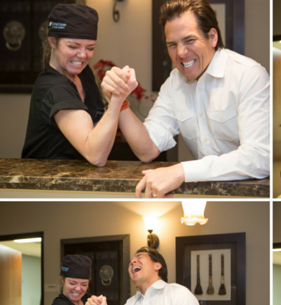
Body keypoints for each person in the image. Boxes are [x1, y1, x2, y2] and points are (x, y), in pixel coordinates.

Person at [100, 0, 270, 198]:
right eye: (172, 45)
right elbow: (147, 149)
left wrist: (181, 171)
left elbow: (259, 157)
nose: (180, 53)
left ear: (212, 37)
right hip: (207, 194)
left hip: (252, 197)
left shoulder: (249, 75)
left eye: (189, 40)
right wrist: (119, 100)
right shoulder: (174, 83)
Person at [21, 4, 131, 166]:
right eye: (73, 46)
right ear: (52, 42)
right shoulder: (54, 88)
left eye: (90, 48)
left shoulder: (84, 74)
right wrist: (116, 99)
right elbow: (96, 156)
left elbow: (98, 126)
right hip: (47, 184)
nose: (82, 56)